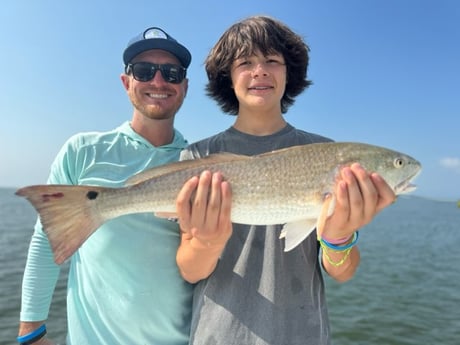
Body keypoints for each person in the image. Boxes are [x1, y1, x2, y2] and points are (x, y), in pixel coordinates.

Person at [175, 16, 396, 345]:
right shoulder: (197, 157)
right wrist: (206, 241)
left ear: (289, 72)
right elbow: (190, 270)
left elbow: (343, 271)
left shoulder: (324, 153)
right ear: (228, 76)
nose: (260, 70)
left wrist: (338, 238)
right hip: (217, 335)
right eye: (246, 62)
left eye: (272, 61)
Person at [17, 26, 194, 345]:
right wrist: (31, 330)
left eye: (171, 72)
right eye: (144, 71)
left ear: (184, 86)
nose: (158, 81)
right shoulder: (82, 151)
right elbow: (47, 239)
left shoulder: (199, 162)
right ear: (126, 83)